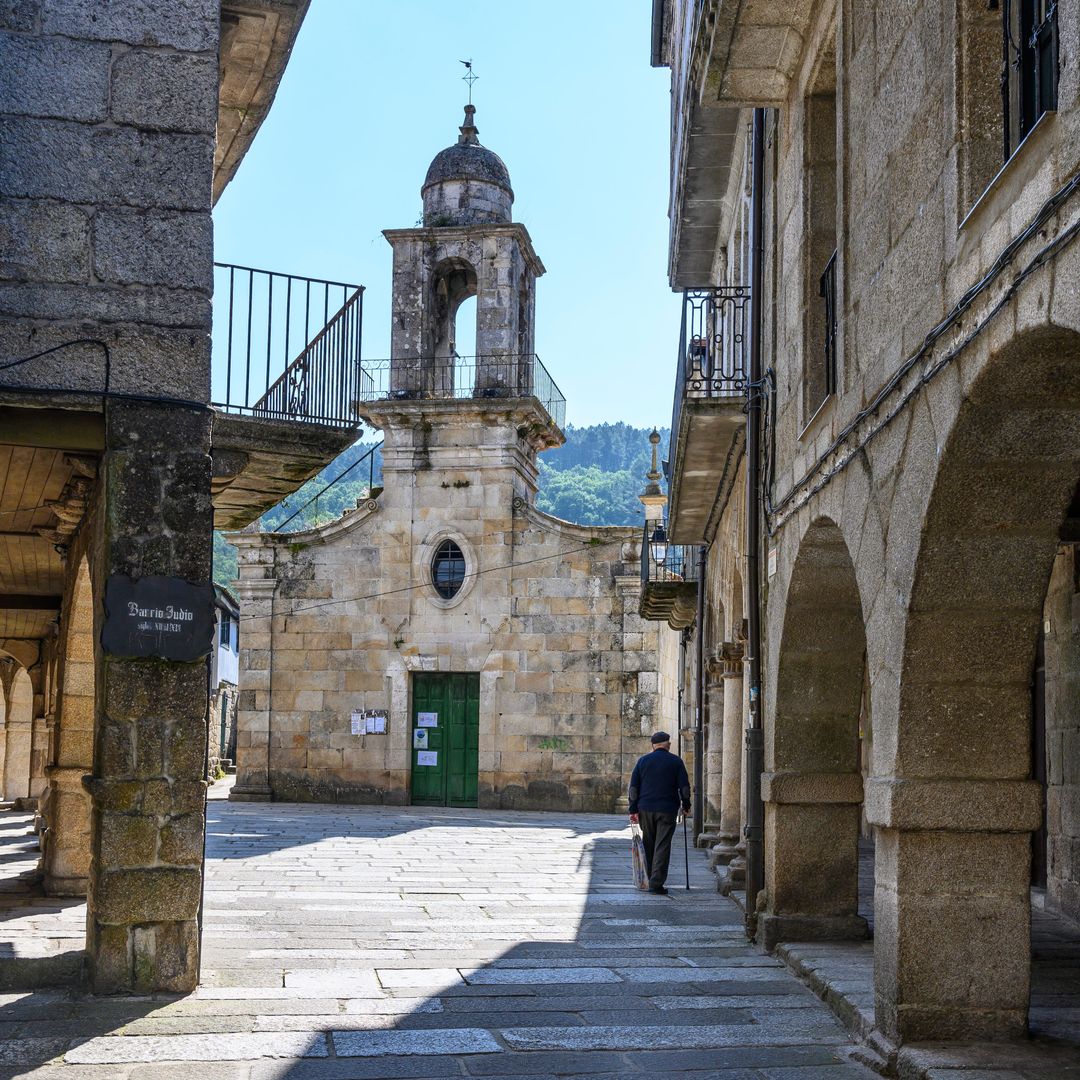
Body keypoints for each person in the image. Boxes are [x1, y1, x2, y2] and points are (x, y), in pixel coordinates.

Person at [628, 732, 692, 895]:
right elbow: (684, 787)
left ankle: (649, 879)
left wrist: (633, 809)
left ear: (653, 745)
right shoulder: (676, 761)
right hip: (667, 809)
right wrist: (686, 805)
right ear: (667, 745)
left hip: (646, 809)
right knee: (662, 845)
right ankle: (656, 883)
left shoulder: (642, 761)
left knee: (648, 843)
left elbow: (633, 788)